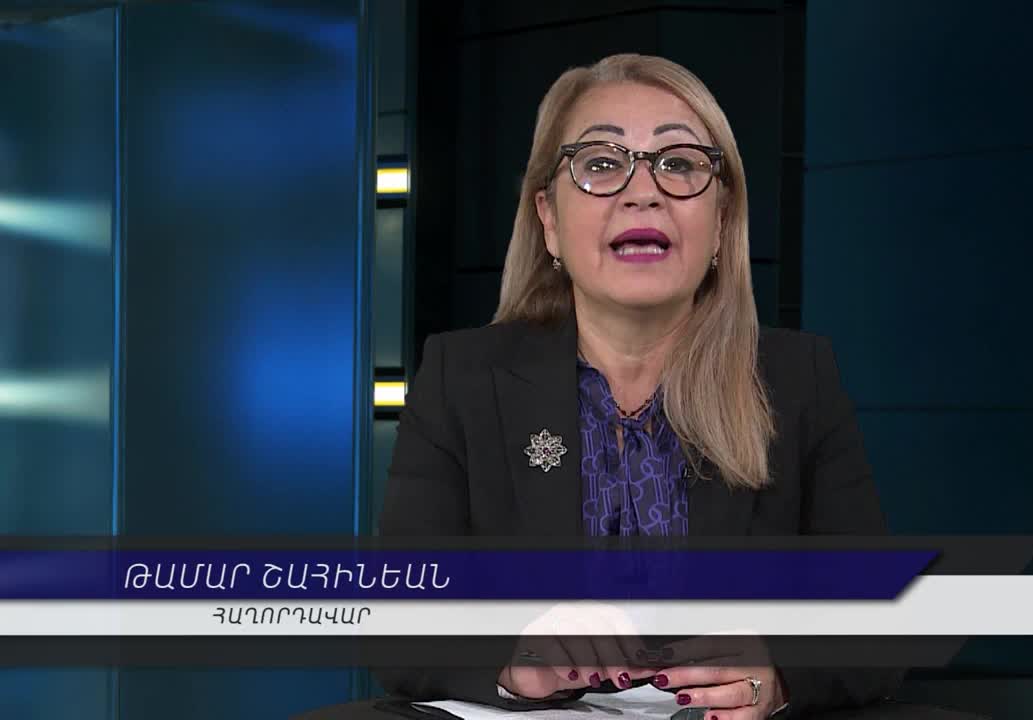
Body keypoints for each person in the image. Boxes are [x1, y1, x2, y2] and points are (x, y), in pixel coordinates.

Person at [376, 53, 899, 718]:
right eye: (600, 163)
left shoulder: (798, 378)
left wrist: (779, 674)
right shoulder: (461, 376)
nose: (643, 190)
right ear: (549, 220)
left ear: (720, 221)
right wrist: (512, 660)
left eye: (679, 164)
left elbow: (880, 625)